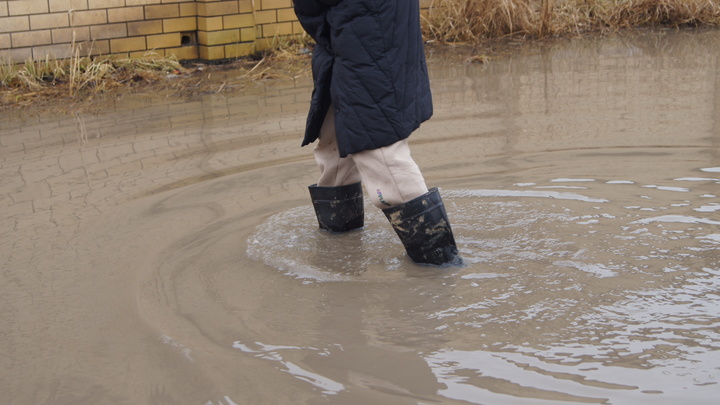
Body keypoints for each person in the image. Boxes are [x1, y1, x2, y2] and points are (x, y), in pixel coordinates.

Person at [293, 0, 462, 266]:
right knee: (334, 144)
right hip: (352, 34)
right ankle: (338, 253)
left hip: (366, 36)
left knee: (379, 150)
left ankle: (441, 269)